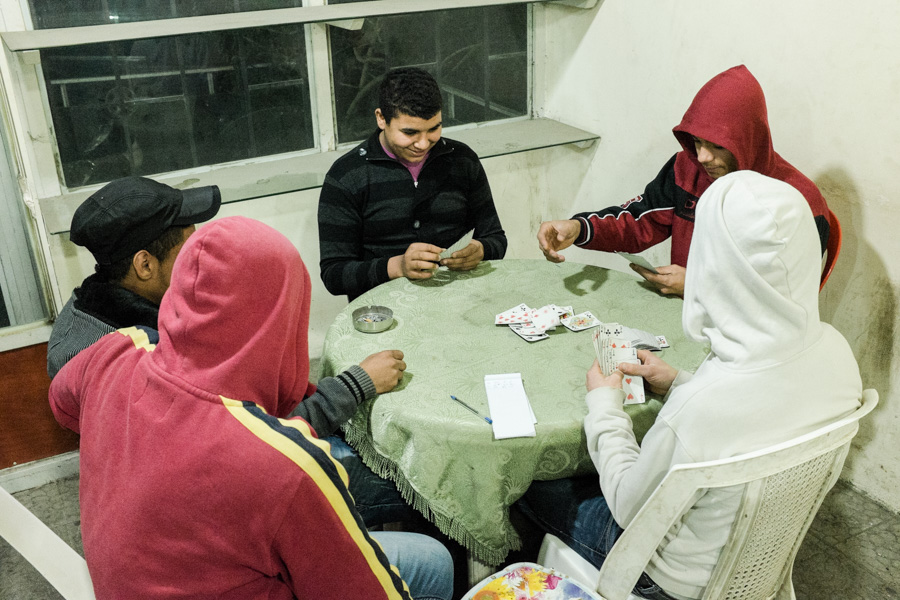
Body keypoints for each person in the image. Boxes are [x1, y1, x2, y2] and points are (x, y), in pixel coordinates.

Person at [49, 216, 453, 600]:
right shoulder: (287, 465)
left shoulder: (115, 351)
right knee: (433, 561)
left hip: (132, 582)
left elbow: (62, 403)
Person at [518, 171, 861, 600]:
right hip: (762, 556)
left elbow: (627, 504)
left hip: (666, 580)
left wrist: (604, 400)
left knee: (533, 484)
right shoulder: (836, 351)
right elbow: (759, 408)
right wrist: (680, 380)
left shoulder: (703, 407)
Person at [537, 65, 830, 297]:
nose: (702, 156)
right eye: (697, 141)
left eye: (716, 145)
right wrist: (580, 228)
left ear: (749, 139)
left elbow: (787, 294)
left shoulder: (800, 202)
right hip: (685, 316)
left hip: (754, 349)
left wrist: (700, 286)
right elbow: (641, 219)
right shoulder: (687, 168)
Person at [318, 66, 507, 300]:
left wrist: (481, 250)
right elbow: (333, 275)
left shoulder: (462, 160)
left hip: (458, 301)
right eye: (410, 132)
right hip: (382, 312)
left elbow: (496, 239)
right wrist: (396, 267)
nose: (423, 143)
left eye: (434, 129)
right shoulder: (347, 176)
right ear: (381, 118)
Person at [47, 176, 221, 378]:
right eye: (189, 254)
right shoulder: (110, 366)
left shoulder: (99, 297)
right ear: (145, 265)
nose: (200, 263)